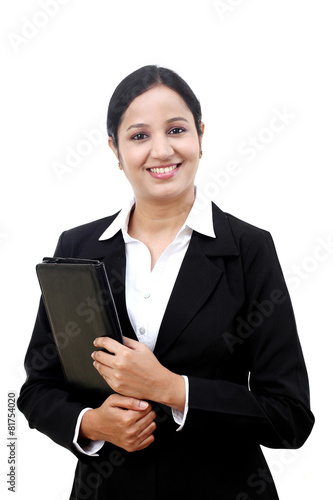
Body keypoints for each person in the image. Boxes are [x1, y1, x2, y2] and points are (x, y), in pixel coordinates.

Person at [18, 65, 314, 500]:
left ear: (200, 136)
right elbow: (37, 389)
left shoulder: (249, 249)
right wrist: (91, 423)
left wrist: (172, 389)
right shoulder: (77, 247)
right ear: (115, 151)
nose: (161, 150)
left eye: (176, 129)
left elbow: (289, 417)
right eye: (139, 136)